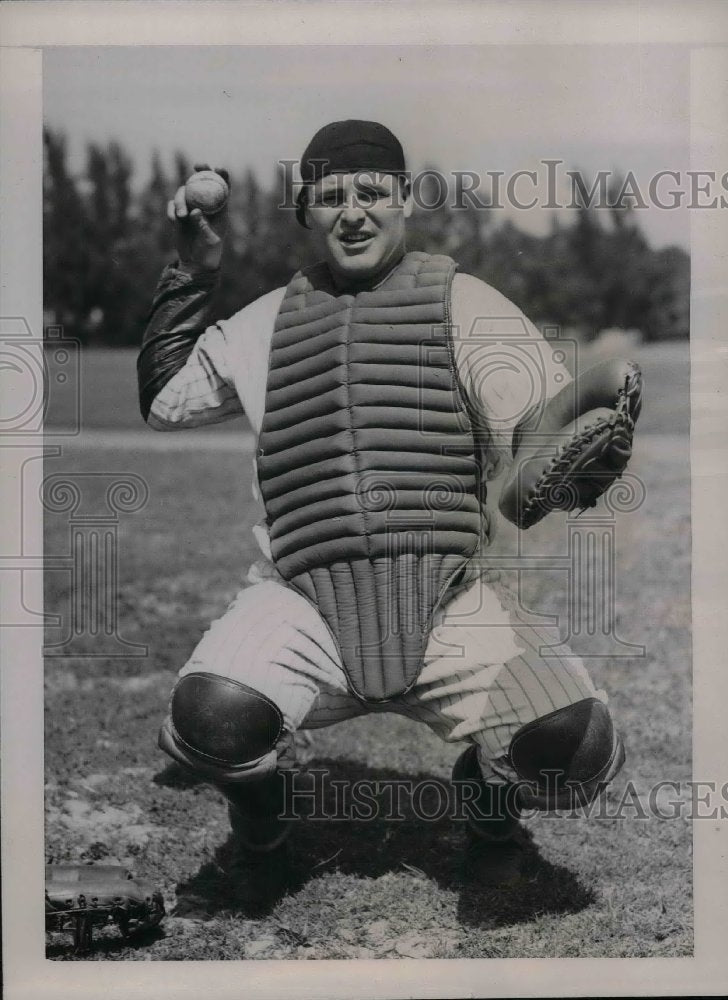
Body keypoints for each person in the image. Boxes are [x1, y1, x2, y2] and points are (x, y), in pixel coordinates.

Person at [138, 120, 631, 908]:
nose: (354, 212)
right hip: (306, 603)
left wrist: (579, 459)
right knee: (212, 720)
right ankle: (265, 828)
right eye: (331, 197)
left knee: (569, 748)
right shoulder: (265, 321)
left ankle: (489, 815)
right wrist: (194, 270)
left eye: (373, 192)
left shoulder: (466, 303)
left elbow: (537, 440)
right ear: (307, 211)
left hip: (443, 601)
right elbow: (164, 402)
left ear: (405, 199)